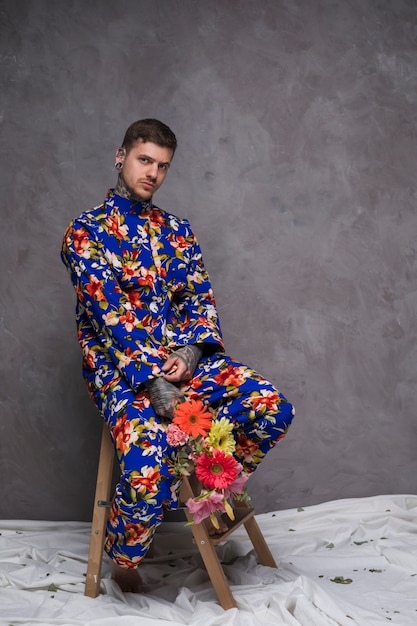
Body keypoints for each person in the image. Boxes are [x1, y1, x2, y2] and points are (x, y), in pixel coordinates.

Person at [61, 118, 295, 593]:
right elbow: (110, 317)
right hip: (120, 373)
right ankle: (126, 555)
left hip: (186, 362)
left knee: (272, 408)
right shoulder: (84, 233)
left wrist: (191, 352)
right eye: (144, 160)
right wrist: (154, 381)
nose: (152, 173)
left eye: (162, 166)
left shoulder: (177, 230)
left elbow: (198, 299)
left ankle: (211, 500)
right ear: (120, 156)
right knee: (150, 472)